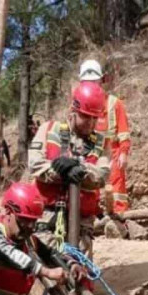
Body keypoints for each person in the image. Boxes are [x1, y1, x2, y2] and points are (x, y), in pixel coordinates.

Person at [27, 81, 110, 257]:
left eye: (95, 118)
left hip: (81, 220)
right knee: (46, 267)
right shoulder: (49, 129)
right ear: (73, 111)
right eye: (86, 116)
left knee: (79, 269)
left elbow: (102, 176)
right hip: (46, 215)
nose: (91, 123)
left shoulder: (101, 143)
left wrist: (79, 167)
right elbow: (34, 163)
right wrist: (59, 170)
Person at [79, 59, 131, 214]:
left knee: (116, 182)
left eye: (94, 82)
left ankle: (119, 214)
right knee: (89, 183)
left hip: (112, 150)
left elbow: (123, 131)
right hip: (90, 150)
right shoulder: (77, 103)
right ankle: (91, 214)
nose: (91, 86)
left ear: (101, 81)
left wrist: (123, 152)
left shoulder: (114, 103)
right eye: (87, 83)